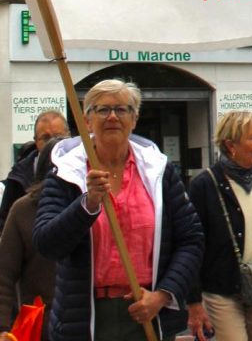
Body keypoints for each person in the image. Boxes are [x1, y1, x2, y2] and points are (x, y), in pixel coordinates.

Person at [33, 79, 204, 341]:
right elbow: (47, 243)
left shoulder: (158, 171)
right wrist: (87, 205)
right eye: (102, 110)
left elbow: (191, 239)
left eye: (122, 109)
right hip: (85, 321)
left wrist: (163, 295)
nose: (112, 116)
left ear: (134, 120)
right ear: (87, 121)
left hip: (145, 315)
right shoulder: (67, 173)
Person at [188, 112, 252, 341]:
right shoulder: (204, 185)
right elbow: (191, 244)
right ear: (231, 145)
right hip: (222, 290)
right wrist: (193, 301)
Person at [0, 136, 63, 340]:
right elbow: (4, 274)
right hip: (38, 326)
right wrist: (3, 327)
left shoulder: (93, 206)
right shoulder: (23, 210)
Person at [0, 111, 70, 234]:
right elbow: (4, 225)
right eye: (46, 138)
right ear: (36, 141)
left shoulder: (83, 169)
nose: (52, 143)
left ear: (69, 136)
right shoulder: (17, 178)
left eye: (58, 137)